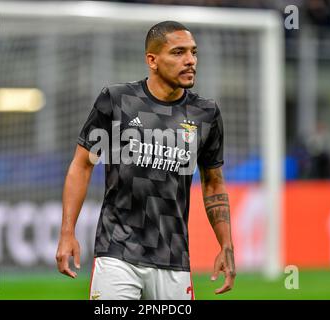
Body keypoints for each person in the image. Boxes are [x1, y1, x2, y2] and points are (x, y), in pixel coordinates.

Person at [56, 21, 236, 300]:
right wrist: (67, 232)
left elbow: (213, 183)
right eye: (178, 53)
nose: (190, 61)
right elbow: (82, 164)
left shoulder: (205, 113)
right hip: (118, 251)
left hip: (173, 256)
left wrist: (226, 244)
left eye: (193, 52)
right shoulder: (117, 101)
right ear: (152, 60)